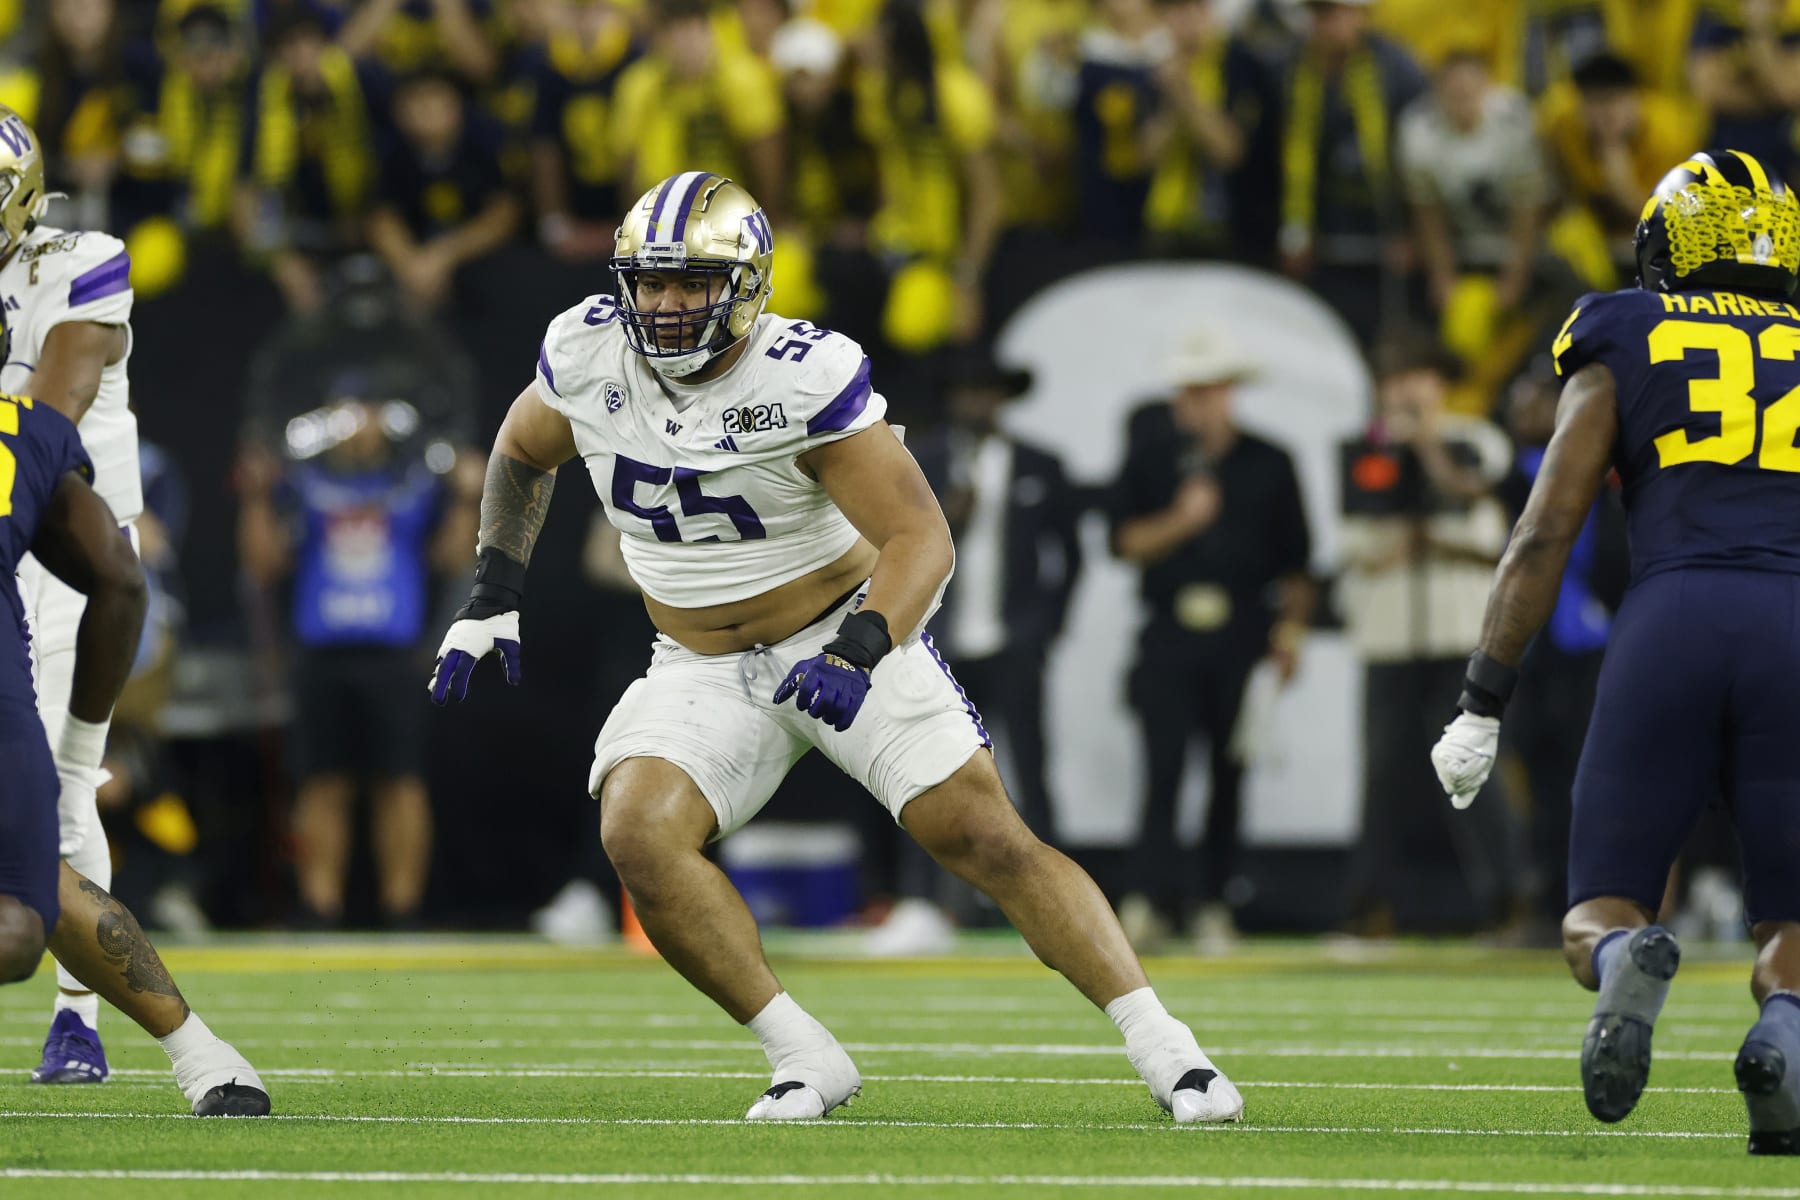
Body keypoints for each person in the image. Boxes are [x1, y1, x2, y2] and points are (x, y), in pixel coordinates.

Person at [428, 171, 1244, 1125]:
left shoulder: (797, 376)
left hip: (840, 628)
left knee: (984, 837)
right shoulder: (588, 354)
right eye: (650, 282)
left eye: (692, 283)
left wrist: (859, 648)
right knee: (637, 833)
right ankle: (804, 1056)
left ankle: (1168, 1050)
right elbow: (523, 451)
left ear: (747, 286)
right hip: (697, 664)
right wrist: (494, 590)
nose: (665, 304)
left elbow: (920, 538)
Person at [1430, 148, 1800, 1153]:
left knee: (1598, 902)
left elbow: (1546, 528)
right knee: (1793, 918)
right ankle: (1787, 1032)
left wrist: (1481, 698)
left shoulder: (1625, 326)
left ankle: (1630, 952)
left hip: (1674, 614)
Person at [0, 376, 269, 1116]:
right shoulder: (27, 430)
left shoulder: (31, 430)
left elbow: (122, 582)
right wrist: (83, 745)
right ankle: (203, 1054)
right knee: (25, 912)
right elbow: (120, 581)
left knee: (27, 913)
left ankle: (194, 1049)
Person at [0, 102, 140, 1084]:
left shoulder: (79, 260)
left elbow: (49, 423)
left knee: (56, 770)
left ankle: (77, 1017)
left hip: (69, 551)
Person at [874, 349, 1082, 954]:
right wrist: (949, 519)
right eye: (967, 392)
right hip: (936, 640)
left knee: (1031, 767)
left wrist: (1046, 625)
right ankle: (924, 903)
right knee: (919, 766)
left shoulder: (1041, 465)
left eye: (987, 392)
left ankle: (1052, 904)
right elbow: (890, 541)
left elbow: (1069, 556)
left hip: (1014, 641)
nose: (977, 404)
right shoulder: (921, 462)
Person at [1109, 333, 1313, 952]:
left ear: (1228, 393)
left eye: (1206, 390)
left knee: (1230, 773)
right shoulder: (1150, 457)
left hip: (1243, 635)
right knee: (1162, 769)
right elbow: (1123, 542)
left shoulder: (1271, 460)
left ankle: (1214, 902)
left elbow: (1298, 564)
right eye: (1187, 391)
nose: (1194, 404)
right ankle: (1148, 900)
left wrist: (1291, 633)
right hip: (1169, 632)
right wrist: (1183, 520)